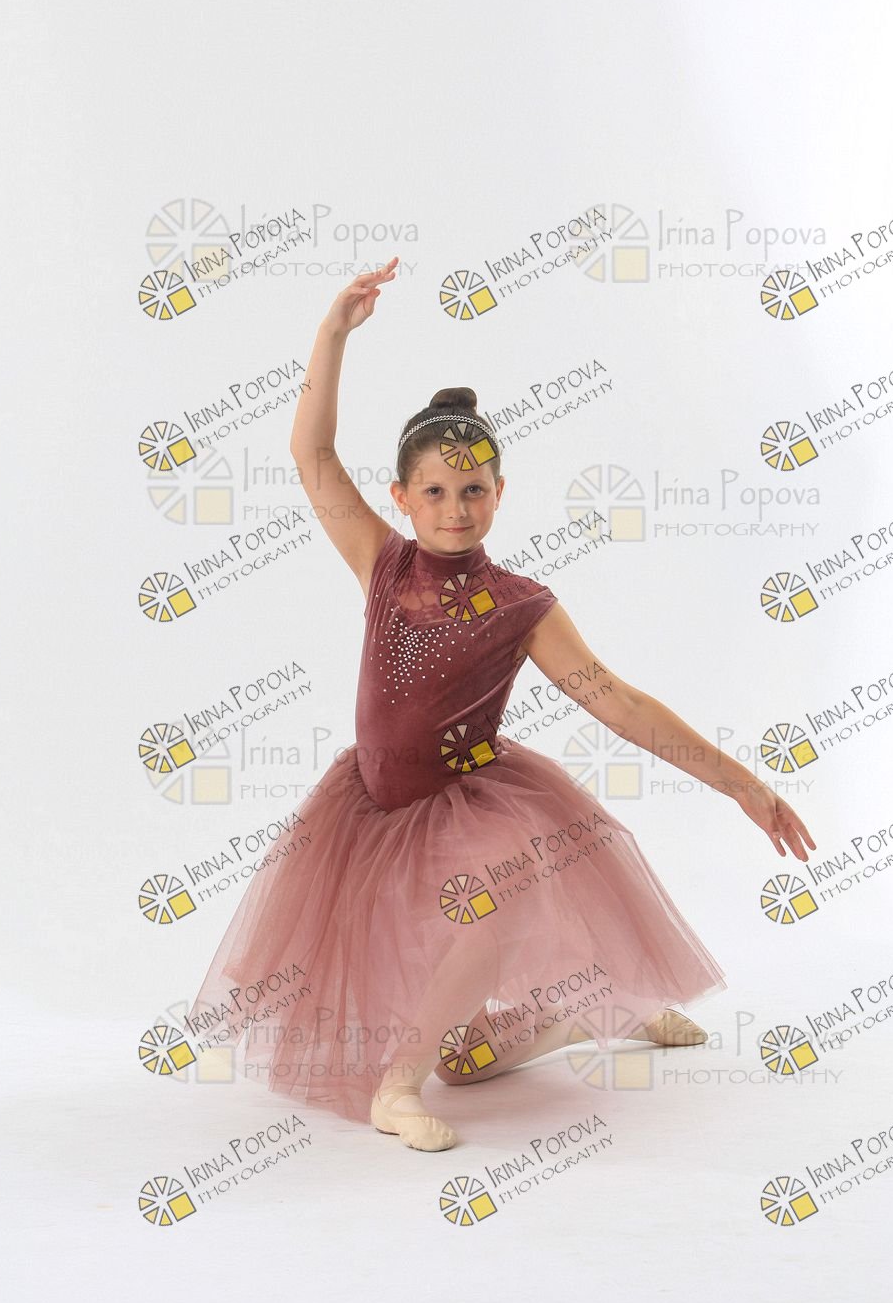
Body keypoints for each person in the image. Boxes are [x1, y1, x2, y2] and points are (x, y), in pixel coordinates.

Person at [185, 255, 816, 1153]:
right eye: (435, 492)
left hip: (469, 804)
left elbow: (616, 702)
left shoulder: (522, 606)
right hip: (370, 810)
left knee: (496, 899)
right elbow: (311, 456)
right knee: (469, 1059)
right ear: (402, 498)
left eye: (474, 489)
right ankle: (596, 1009)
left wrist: (742, 784)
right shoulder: (382, 564)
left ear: (500, 493)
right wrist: (332, 334)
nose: (456, 508)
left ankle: (395, 1087)